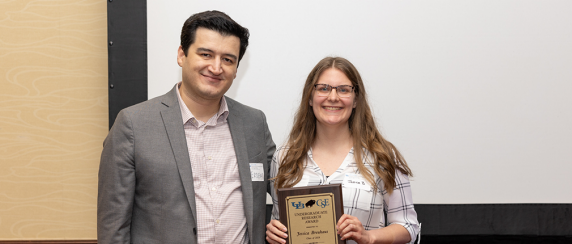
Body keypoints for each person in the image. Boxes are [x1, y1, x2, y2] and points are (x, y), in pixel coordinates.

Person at [97, 11, 275, 244]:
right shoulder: (133, 124)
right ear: (182, 55)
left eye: (228, 59)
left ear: (236, 68)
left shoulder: (254, 123)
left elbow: (288, 183)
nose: (216, 67)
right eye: (206, 54)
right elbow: (113, 226)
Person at [266, 57, 420, 244]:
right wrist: (275, 233)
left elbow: (408, 226)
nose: (333, 97)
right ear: (309, 97)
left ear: (355, 100)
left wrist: (369, 236)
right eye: (323, 88)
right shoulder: (284, 157)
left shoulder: (382, 156)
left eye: (343, 90)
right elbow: (279, 221)